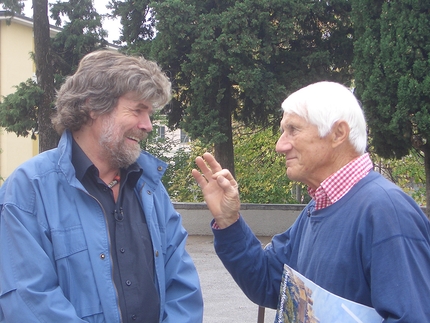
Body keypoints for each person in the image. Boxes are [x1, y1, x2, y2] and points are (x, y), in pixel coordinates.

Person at [192, 81, 430, 322]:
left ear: (338, 133)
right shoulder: (318, 208)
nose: (280, 145)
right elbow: (268, 282)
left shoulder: (387, 212)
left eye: (293, 130)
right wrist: (229, 221)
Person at [0, 50, 203, 323]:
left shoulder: (150, 188)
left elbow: (182, 286)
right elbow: (29, 301)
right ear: (93, 106)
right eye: (137, 110)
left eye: (150, 113)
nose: (148, 125)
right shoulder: (29, 189)